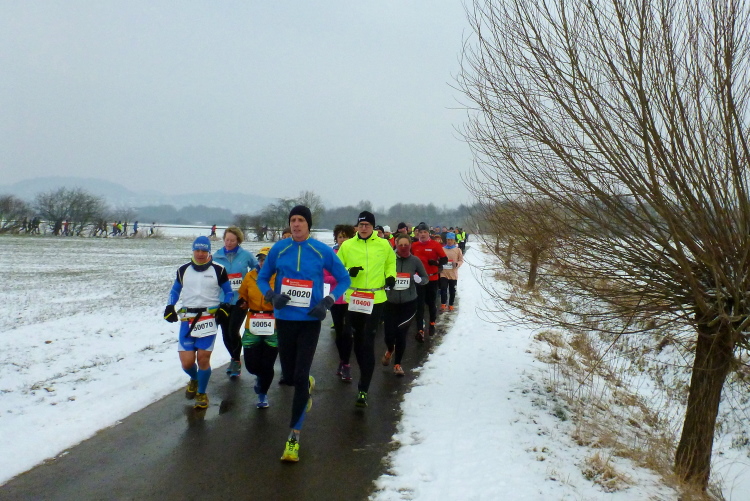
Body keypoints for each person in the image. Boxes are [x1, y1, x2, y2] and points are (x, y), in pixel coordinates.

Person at [257, 205, 350, 462]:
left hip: (310, 320)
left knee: (298, 376)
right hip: (285, 320)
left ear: (308, 224)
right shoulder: (279, 249)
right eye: (293, 220)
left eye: (301, 220)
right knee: (289, 376)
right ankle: (305, 383)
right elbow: (262, 278)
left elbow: (344, 279)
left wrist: (328, 301)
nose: (296, 224)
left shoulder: (320, 250)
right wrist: (272, 295)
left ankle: (293, 437)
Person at [163, 236, 233, 410]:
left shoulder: (219, 270)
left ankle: (201, 393)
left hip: (208, 319)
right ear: (193, 251)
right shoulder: (183, 270)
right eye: (197, 250)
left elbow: (229, 292)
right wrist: (170, 306)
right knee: (187, 363)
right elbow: (175, 290)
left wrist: (225, 306)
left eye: (204, 251)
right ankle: (194, 379)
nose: (200, 254)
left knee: (203, 358)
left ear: (209, 252)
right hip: (187, 319)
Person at [336, 210, 396, 408]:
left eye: (367, 225)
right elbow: (337, 268)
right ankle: (363, 372)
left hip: (376, 299)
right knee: (356, 340)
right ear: (357, 226)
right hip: (354, 299)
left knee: (368, 341)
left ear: (373, 227)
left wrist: (391, 277)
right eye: (361, 225)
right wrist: (348, 271)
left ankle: (363, 388)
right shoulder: (347, 245)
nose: (363, 228)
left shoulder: (383, 244)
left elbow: (391, 262)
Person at [212, 226, 258, 378]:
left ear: (238, 240)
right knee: (225, 333)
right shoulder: (216, 256)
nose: (229, 243)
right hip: (223, 300)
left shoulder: (246, 255)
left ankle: (236, 360)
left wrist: (252, 286)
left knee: (233, 330)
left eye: (232, 240)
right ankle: (234, 359)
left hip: (240, 300)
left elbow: (257, 269)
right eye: (227, 240)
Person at [237, 246, 278, 408]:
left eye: (266, 260)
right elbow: (242, 294)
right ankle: (260, 376)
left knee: (268, 365)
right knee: (251, 365)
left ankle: (263, 393)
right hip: (253, 322)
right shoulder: (250, 276)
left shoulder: (279, 277)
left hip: (273, 324)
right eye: (260, 259)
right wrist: (242, 302)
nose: (262, 262)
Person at [382, 234, 428, 377]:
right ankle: (390, 349)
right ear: (395, 245)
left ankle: (397, 364)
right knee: (389, 334)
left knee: (401, 334)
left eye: (406, 245)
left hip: (409, 303)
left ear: (410, 245)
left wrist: (419, 280)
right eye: (400, 245)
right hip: (390, 302)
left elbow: (425, 278)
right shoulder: (389, 259)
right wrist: (384, 284)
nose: (403, 247)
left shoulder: (415, 261)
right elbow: (379, 276)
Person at [325, 224, 356, 382]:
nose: (343, 240)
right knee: (339, 332)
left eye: (346, 236)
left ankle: (346, 364)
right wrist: (341, 277)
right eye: (340, 237)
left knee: (348, 332)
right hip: (336, 298)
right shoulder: (331, 254)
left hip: (352, 297)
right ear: (336, 238)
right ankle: (343, 360)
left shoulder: (355, 253)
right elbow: (325, 276)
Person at [411, 222, 448, 341]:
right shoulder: (414, 245)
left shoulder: (435, 245)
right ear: (417, 233)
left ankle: (432, 323)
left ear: (428, 233)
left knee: (431, 303)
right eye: (420, 232)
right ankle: (420, 330)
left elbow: (445, 259)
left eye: (425, 232)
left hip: (432, 278)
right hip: (419, 279)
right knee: (419, 304)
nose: (422, 234)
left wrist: (436, 263)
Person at [439, 232, 464, 312]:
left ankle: (451, 304)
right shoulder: (442, 249)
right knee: (443, 289)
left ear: (454, 240)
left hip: (453, 274)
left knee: (452, 291)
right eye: (448, 240)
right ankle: (443, 304)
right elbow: (439, 259)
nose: (449, 241)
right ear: (446, 240)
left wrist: (457, 264)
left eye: (451, 240)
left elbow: (461, 260)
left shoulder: (457, 250)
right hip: (443, 273)